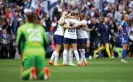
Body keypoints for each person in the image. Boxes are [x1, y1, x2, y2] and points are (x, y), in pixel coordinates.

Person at [16, 9, 50, 80]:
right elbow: (46, 42)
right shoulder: (41, 28)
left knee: (23, 76)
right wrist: (43, 52)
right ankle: (44, 72)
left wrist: (20, 53)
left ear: (27, 18)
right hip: (40, 51)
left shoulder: (22, 28)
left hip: (28, 51)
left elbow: (19, 43)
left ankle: (30, 71)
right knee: (39, 75)